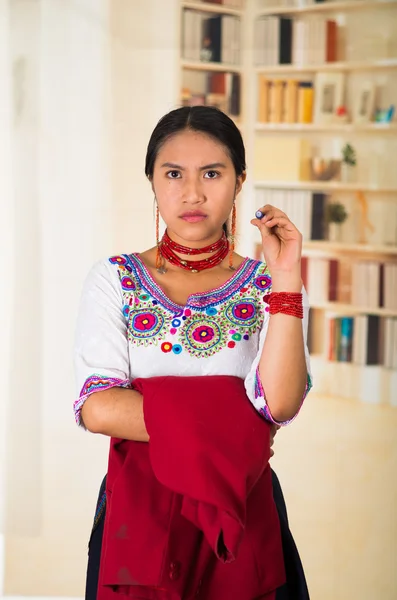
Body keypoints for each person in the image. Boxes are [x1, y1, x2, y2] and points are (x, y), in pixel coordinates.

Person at [74, 106, 312, 600]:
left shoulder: (271, 285)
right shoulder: (113, 279)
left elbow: (280, 405)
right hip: (137, 513)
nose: (193, 193)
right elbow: (97, 407)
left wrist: (287, 278)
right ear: (153, 182)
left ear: (239, 181)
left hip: (244, 507)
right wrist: (238, 418)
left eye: (212, 173)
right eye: (174, 174)